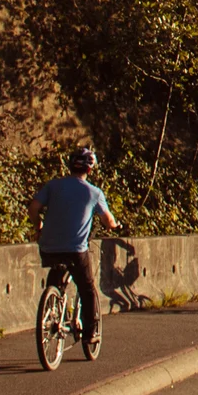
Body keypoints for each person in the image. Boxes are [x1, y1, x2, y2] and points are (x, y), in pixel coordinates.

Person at [30, 147, 118, 349]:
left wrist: (38, 226)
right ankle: (90, 334)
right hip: (76, 250)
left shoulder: (53, 186)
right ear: (90, 168)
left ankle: (53, 308)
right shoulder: (94, 193)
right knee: (87, 289)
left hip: (48, 247)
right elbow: (108, 220)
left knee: (57, 275)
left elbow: (34, 208)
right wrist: (115, 226)